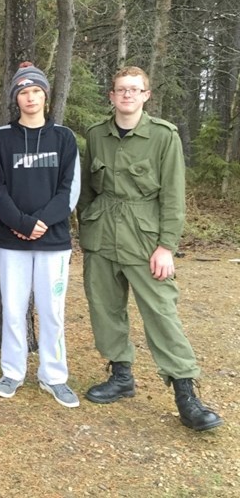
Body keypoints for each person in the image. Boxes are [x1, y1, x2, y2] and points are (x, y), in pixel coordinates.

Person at [79, 65, 223, 431]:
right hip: (102, 234)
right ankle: (121, 375)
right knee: (104, 309)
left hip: (145, 238)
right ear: (111, 96)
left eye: (134, 89)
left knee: (161, 312)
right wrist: (88, 228)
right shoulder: (97, 135)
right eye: (120, 90)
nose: (127, 95)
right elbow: (87, 192)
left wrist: (166, 247)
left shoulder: (163, 136)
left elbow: (173, 197)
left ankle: (185, 393)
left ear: (146, 95)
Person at [0, 62, 80, 408]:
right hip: (12, 240)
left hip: (53, 242)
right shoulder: (1, 137)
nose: (30, 98)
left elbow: (69, 191)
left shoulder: (64, 137)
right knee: (13, 309)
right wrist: (22, 223)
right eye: (24, 92)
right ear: (16, 98)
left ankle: (54, 376)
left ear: (45, 95)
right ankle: (13, 371)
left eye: (36, 91)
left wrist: (41, 222)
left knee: (52, 309)